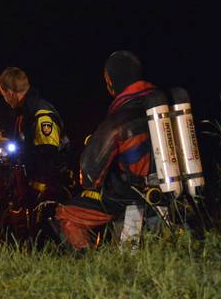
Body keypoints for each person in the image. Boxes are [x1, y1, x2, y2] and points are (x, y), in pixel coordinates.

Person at [55, 51, 156, 250]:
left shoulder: (118, 119)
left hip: (131, 195)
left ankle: (87, 264)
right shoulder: (163, 106)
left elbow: (90, 175)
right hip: (175, 192)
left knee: (66, 213)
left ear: (111, 80)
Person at [0, 67, 69, 208]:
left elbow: (48, 158)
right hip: (32, 189)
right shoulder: (24, 114)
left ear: (10, 93)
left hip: (48, 195)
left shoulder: (41, 115)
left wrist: (35, 193)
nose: (4, 100)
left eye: (3, 95)